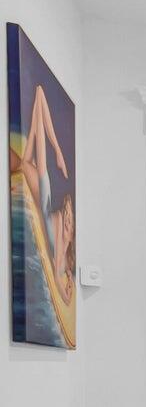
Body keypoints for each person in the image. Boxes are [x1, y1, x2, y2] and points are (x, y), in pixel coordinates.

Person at [14, 83, 73, 303]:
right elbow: (64, 293)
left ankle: (52, 151)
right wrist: (57, 151)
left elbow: (64, 295)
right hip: (41, 185)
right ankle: (54, 151)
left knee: (38, 105)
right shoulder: (61, 242)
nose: (69, 223)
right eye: (69, 218)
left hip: (38, 184)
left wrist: (66, 284)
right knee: (39, 97)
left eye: (69, 221)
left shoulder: (61, 250)